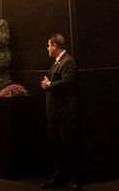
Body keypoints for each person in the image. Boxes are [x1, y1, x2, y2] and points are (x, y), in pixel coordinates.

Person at [40, 34, 80, 191]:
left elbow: (68, 82)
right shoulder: (57, 62)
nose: (47, 49)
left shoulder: (68, 62)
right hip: (54, 114)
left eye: (49, 45)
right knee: (56, 148)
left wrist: (49, 84)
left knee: (70, 147)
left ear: (55, 46)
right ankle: (59, 176)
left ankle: (75, 180)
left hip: (65, 114)